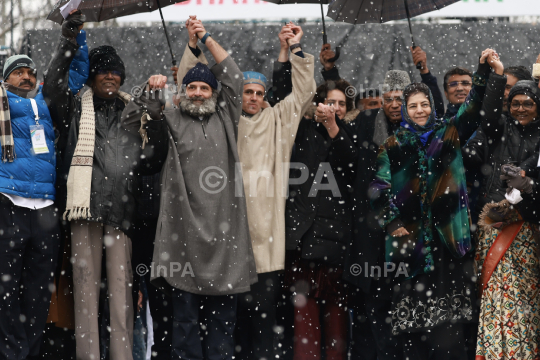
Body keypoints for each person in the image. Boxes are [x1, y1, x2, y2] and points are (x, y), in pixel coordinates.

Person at [129, 17, 257, 359]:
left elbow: (234, 76)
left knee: (221, 332)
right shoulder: (171, 119)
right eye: (192, 88)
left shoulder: (227, 117)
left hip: (225, 243)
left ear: (213, 93)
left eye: (204, 88)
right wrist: (152, 88)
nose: (198, 94)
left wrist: (205, 38)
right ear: (182, 92)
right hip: (182, 238)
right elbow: (137, 114)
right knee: (184, 329)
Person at [44, 12, 168, 360]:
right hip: (84, 214)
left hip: (122, 216)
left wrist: (156, 118)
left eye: (115, 70)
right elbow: (53, 84)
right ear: (92, 76)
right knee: (84, 298)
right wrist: (68, 41)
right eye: (103, 70)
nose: (110, 75)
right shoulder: (74, 107)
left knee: (121, 300)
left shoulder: (133, 113)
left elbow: (153, 161)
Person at [368, 49, 501, 359]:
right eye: (413, 106)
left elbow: (472, 107)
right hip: (411, 246)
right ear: (403, 110)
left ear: (432, 106)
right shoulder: (392, 145)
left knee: (451, 337)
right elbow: (377, 188)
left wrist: (482, 73)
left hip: (449, 242)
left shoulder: (449, 133)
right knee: (414, 339)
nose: (419, 110)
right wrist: (392, 221)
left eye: (424, 104)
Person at [234, 23, 316, 360]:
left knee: (264, 322)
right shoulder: (225, 120)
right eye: (247, 92)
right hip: (232, 237)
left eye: (258, 92)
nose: (253, 98)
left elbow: (303, 94)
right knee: (234, 323)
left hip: (267, 237)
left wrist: (295, 50)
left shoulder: (277, 121)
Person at [284, 80, 358, 359]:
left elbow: (350, 163)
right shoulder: (301, 131)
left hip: (337, 247)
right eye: (330, 102)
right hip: (303, 245)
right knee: (305, 332)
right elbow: (285, 93)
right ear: (318, 104)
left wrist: (332, 127)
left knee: (337, 331)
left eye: (341, 103)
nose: (335, 108)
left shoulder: (352, 135)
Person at [343, 69, 413, 360]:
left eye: (401, 98)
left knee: (407, 322)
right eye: (389, 99)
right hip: (371, 239)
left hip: (410, 238)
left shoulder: (422, 130)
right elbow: (340, 139)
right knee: (372, 320)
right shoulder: (365, 123)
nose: (395, 104)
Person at [0, 54, 61, 360]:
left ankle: (30, 352)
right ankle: (13, 352)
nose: (26, 77)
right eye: (17, 73)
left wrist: (73, 34)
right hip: (10, 203)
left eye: (29, 72)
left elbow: (69, 74)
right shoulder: (2, 104)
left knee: (39, 292)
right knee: (5, 291)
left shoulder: (48, 104)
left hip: (46, 209)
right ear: (5, 80)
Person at [474, 166, 540, 360]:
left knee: (524, 315)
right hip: (494, 225)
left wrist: (528, 184)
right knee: (499, 313)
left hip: (525, 233)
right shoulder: (487, 136)